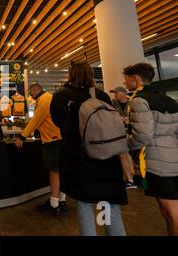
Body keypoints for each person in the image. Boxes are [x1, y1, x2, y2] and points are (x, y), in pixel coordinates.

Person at [50, 62, 127, 236]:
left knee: (84, 203)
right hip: (107, 158)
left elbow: (57, 121)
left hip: (78, 158)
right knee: (107, 202)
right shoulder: (100, 95)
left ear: (70, 73)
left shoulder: (61, 96)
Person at [123, 63, 178, 236]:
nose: (125, 84)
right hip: (175, 159)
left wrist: (125, 143)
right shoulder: (169, 99)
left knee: (172, 211)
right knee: (170, 211)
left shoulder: (139, 100)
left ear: (135, 78)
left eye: (126, 80)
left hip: (157, 163)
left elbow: (143, 136)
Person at [15, 83, 66, 215]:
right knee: (60, 172)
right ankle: (60, 200)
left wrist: (22, 137)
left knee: (54, 172)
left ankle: (54, 205)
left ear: (36, 89)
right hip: (57, 138)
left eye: (31, 94)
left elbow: (35, 120)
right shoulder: (49, 97)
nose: (31, 97)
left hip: (52, 140)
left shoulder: (44, 99)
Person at [110, 86, 136, 189]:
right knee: (124, 154)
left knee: (127, 155)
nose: (115, 95)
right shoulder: (111, 105)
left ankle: (132, 178)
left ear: (123, 93)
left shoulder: (133, 102)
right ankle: (130, 179)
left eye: (116, 93)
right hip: (119, 133)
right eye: (114, 93)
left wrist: (129, 120)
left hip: (133, 133)